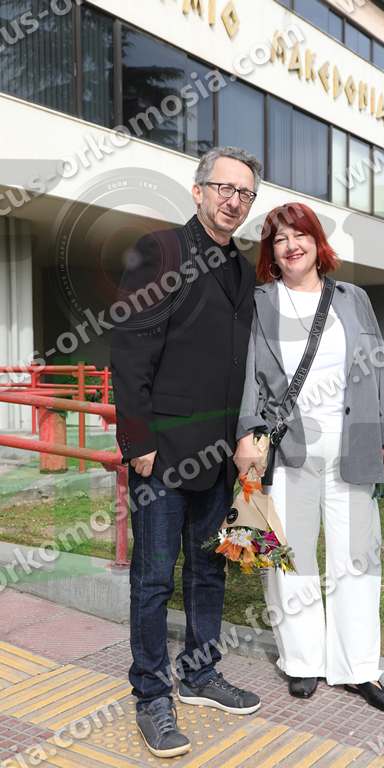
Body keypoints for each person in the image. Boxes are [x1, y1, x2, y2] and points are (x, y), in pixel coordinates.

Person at [111, 147, 262, 759]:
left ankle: (200, 674)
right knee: (153, 578)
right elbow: (129, 348)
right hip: (164, 451)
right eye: (224, 187)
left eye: (245, 194)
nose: (233, 201)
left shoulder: (245, 270)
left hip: (222, 455)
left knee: (208, 570)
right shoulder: (161, 251)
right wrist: (137, 439)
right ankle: (151, 694)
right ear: (198, 190)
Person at [234, 202, 384, 713]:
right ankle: (303, 661)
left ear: (316, 241)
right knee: (290, 561)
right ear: (271, 251)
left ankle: (359, 669)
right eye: (279, 239)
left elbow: (377, 370)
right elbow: (249, 374)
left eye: (299, 235)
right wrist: (248, 434)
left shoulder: (353, 298)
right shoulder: (260, 301)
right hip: (289, 450)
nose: (291, 245)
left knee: (357, 559)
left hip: (354, 444)